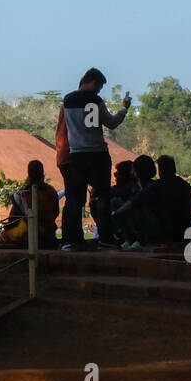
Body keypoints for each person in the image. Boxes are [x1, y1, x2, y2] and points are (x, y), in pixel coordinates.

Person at [57, 67, 131, 250]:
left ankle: (71, 240)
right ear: (93, 82)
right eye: (99, 87)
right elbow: (111, 123)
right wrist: (124, 109)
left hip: (76, 155)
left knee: (75, 198)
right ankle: (106, 239)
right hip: (97, 153)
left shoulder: (67, 101)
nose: (99, 91)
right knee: (103, 196)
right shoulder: (95, 100)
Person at [116, 155, 191, 246]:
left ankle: (137, 240)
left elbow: (135, 201)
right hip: (186, 229)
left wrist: (116, 213)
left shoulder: (156, 186)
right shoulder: (185, 185)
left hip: (166, 232)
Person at [0, 160, 60, 249]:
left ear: (28, 173)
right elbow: (56, 212)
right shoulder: (51, 191)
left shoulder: (23, 194)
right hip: (49, 233)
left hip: (29, 234)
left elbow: (13, 219)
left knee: (0, 237)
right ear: (42, 173)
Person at [112, 155, 162, 248]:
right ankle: (131, 239)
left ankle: (140, 240)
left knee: (133, 207)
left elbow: (134, 201)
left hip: (154, 226)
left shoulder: (151, 187)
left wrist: (115, 214)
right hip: (149, 224)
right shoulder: (136, 187)